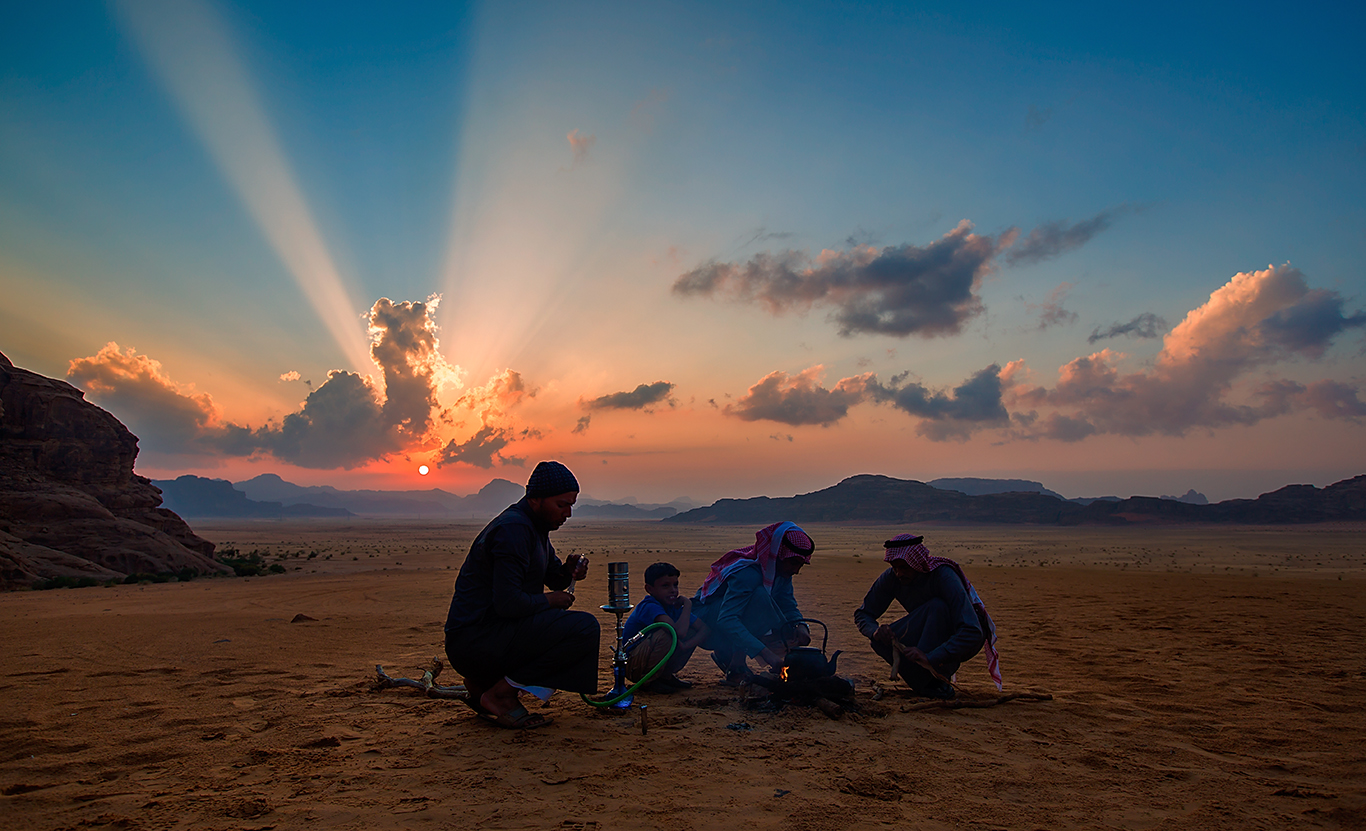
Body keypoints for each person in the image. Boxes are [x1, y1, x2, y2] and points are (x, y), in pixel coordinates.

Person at [443, 461, 599, 729]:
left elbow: (554, 577)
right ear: (536, 499)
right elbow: (508, 603)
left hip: (489, 636)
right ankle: (501, 694)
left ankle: (484, 685)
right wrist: (551, 600)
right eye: (562, 505)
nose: (568, 513)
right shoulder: (513, 530)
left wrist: (569, 571)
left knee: (563, 624)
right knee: (583, 629)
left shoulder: (534, 528)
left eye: (571, 505)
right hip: (476, 640)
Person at [854, 533, 1001, 699]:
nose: (898, 573)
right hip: (927, 632)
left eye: (904, 567)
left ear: (917, 563)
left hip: (960, 637)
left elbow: (972, 631)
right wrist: (874, 631)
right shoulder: (892, 577)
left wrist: (930, 657)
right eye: (895, 568)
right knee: (879, 641)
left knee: (936, 607)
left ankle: (936, 679)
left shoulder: (943, 576)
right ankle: (925, 684)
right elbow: (863, 614)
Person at [692, 522, 814, 685]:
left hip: (725, 622)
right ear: (777, 554)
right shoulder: (748, 574)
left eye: (800, 565)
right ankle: (736, 665)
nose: (796, 570)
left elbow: (788, 604)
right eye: (793, 563)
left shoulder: (781, 572)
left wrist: (801, 626)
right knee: (760, 599)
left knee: (784, 624)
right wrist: (766, 655)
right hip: (706, 625)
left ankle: (728, 655)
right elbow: (727, 619)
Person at [621, 562, 711, 692]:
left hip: (648, 658)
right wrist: (687, 605)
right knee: (666, 633)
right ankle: (649, 681)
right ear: (649, 589)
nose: (673, 590)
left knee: (690, 630)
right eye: (665, 586)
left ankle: (664, 676)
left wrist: (686, 645)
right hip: (634, 665)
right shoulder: (649, 606)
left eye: (675, 585)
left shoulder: (672, 607)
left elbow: (704, 630)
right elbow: (677, 633)